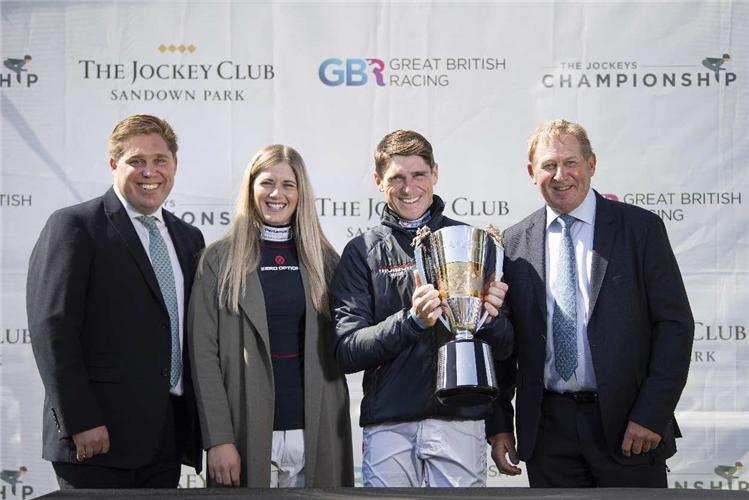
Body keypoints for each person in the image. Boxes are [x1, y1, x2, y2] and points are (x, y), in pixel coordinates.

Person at [490, 119, 694, 487]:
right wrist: (500, 423)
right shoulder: (514, 242)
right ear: (531, 173)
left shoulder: (640, 229)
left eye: (570, 163)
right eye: (549, 165)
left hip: (629, 426)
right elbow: (505, 345)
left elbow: (675, 328)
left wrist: (651, 414)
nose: (560, 175)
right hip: (547, 432)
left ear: (592, 165)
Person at [27, 114, 205, 488]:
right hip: (96, 442)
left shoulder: (189, 238)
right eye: (136, 161)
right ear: (114, 165)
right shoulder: (75, 225)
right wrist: (80, 420)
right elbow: (53, 329)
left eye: (160, 161)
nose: (149, 172)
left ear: (174, 166)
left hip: (165, 439)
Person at [330, 130, 514, 487]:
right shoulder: (362, 251)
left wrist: (489, 319)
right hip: (390, 424)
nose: (408, 187)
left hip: (461, 418)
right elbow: (346, 351)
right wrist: (411, 322)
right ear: (378, 182)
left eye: (418, 175)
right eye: (396, 177)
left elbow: (506, 348)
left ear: (435, 174)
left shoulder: (472, 243)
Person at [188, 144, 354, 488]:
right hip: (244, 432)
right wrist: (218, 439)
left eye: (288, 185)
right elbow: (203, 358)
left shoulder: (327, 262)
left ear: (300, 193)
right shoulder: (217, 263)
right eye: (267, 183)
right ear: (251, 189)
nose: (277, 194)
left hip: (317, 432)